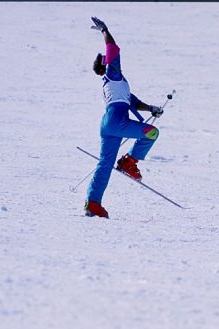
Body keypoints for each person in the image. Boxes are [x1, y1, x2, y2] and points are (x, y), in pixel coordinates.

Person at [84, 16, 164, 218]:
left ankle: (93, 203)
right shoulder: (113, 75)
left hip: (108, 125)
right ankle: (129, 162)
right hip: (118, 122)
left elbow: (132, 101)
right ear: (108, 64)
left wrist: (151, 108)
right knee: (152, 133)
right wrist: (105, 30)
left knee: (104, 164)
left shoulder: (113, 83)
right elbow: (113, 49)